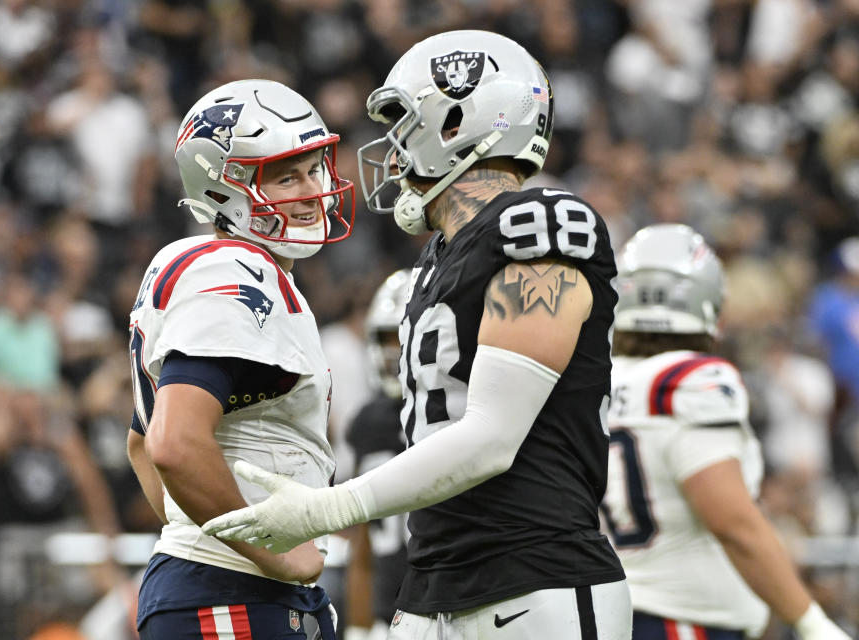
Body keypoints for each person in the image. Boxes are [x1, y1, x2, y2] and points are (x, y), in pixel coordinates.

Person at [205, 30, 631, 639]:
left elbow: (491, 437)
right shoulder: (438, 256)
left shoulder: (540, 224)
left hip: (537, 578)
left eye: (404, 122)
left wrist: (329, 506)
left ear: (458, 121)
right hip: (434, 581)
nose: (392, 147)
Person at [125, 78, 355, 640]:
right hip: (230, 592)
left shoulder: (223, 264)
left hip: (225, 586)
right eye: (285, 175)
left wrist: (200, 527)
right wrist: (263, 551)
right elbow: (172, 445)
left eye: (314, 166)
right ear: (224, 187)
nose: (311, 188)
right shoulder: (231, 268)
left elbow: (140, 441)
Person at [599, 224, 851, 640]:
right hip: (682, 619)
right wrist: (811, 621)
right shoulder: (692, 380)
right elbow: (731, 521)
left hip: (619, 611)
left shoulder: (602, 381)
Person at [343, 269, 411, 640]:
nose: (391, 351)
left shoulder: (460, 413)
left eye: (400, 338)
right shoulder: (368, 424)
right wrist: (357, 627)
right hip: (389, 616)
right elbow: (363, 544)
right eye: (384, 338)